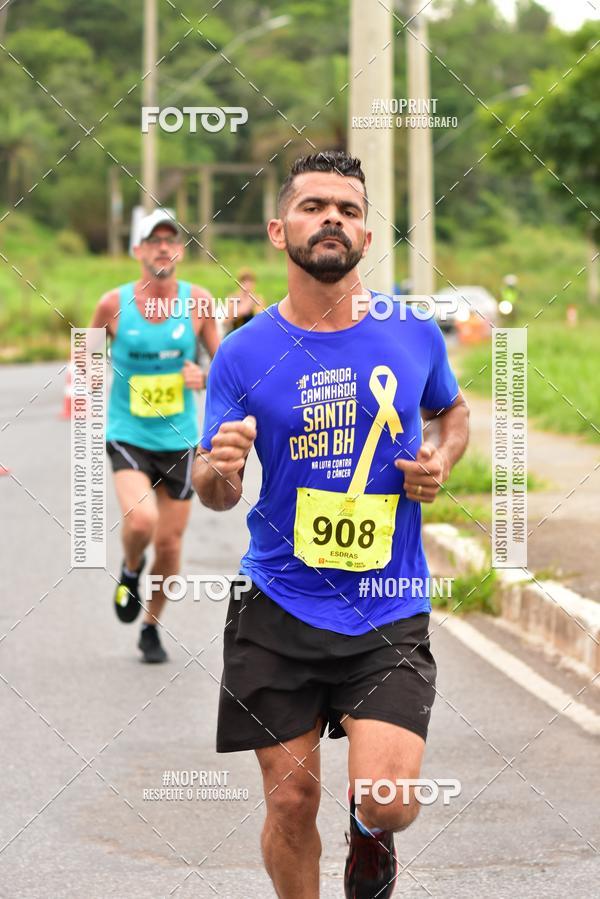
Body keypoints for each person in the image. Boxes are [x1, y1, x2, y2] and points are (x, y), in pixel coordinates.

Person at [193, 151, 469, 898]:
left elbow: (453, 412)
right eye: (315, 206)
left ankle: (370, 838)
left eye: (348, 210)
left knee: (390, 799)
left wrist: (440, 458)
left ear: (367, 236)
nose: (332, 220)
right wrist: (219, 466)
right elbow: (214, 492)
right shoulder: (244, 353)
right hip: (277, 606)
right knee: (290, 800)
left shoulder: (412, 333)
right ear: (281, 228)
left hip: (388, 603)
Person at [90, 208, 219, 663]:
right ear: (138, 250)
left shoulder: (199, 301)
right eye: (154, 240)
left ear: (180, 251)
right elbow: (84, 359)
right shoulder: (112, 304)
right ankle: (129, 570)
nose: (164, 246)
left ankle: (151, 626)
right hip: (129, 433)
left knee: (168, 545)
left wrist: (201, 374)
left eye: (171, 239)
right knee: (141, 522)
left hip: (181, 438)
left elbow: (222, 367)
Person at [224, 268, 265, 333]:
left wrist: (250, 304)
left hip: (251, 332)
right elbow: (226, 322)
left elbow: (261, 320)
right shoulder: (232, 298)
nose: (247, 285)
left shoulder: (258, 299)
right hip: (234, 332)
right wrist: (239, 312)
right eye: (244, 282)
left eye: (250, 282)